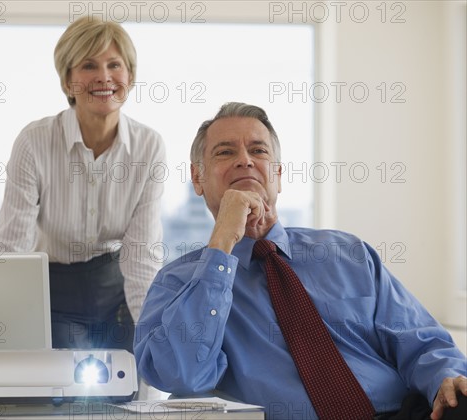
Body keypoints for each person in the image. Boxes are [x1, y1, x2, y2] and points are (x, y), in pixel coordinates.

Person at [134, 102, 467, 419]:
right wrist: (221, 245)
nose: (245, 161)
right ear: (197, 178)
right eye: (225, 152)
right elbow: (180, 375)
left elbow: (420, 340)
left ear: (277, 174)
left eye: (259, 150)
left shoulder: (348, 253)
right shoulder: (177, 283)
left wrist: (445, 376)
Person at [0, 16, 165, 352]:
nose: (104, 76)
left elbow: (142, 256)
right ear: (68, 80)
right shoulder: (34, 142)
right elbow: (11, 248)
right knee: (70, 389)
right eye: (88, 65)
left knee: (128, 386)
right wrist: (5, 330)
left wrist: (151, 339)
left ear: (129, 76)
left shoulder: (149, 146)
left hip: (118, 293)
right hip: (55, 294)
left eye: (115, 64)